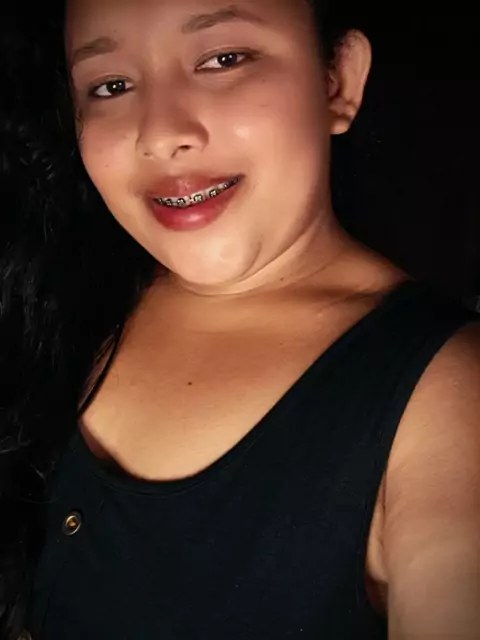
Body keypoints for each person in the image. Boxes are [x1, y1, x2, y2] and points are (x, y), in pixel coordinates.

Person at [0, 1, 479, 638]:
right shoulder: (59, 299)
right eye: (111, 86)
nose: (160, 134)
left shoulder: (449, 393)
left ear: (337, 79)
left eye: (223, 59)